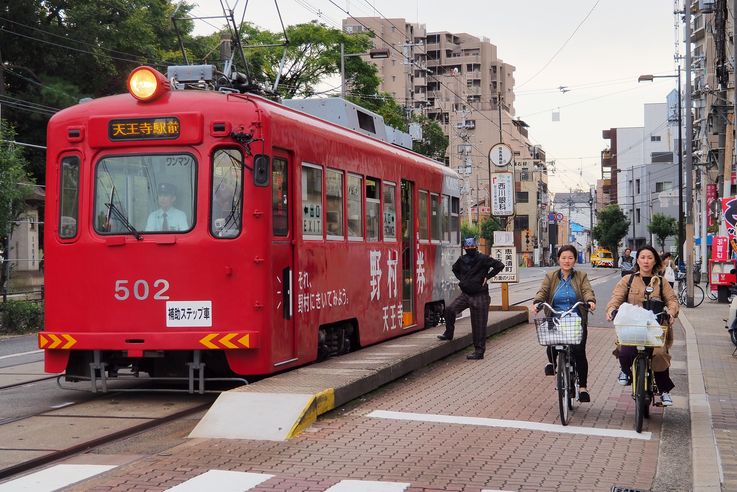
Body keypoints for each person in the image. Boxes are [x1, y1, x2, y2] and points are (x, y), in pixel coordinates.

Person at [606, 245, 679, 406]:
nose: (646, 261)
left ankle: (664, 391)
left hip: (655, 329)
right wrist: (611, 309)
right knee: (625, 352)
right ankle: (626, 371)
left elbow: (672, 300)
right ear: (637, 260)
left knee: (659, 355)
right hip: (633, 328)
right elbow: (616, 297)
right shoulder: (628, 280)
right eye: (643, 257)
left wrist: (672, 313)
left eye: (650, 258)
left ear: (655, 261)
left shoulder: (661, 282)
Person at [532, 245, 597, 402]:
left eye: (570, 258)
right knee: (551, 347)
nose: (567, 261)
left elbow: (587, 290)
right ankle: (554, 364)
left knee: (579, 351)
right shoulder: (551, 276)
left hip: (575, 319)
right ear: (558, 259)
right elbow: (543, 291)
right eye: (563, 258)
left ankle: (582, 387)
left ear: (574, 260)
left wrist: (590, 301)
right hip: (556, 318)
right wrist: (537, 302)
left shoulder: (581, 276)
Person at [437, 237, 505, 360]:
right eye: (467, 248)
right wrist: (462, 280)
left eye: (471, 247)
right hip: (465, 294)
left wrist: (487, 276)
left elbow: (500, 265)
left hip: (480, 295)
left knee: (479, 324)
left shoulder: (483, 258)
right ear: (464, 248)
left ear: (476, 247)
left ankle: (479, 352)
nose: (469, 249)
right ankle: (449, 332)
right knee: (450, 310)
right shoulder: (462, 260)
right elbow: (454, 269)